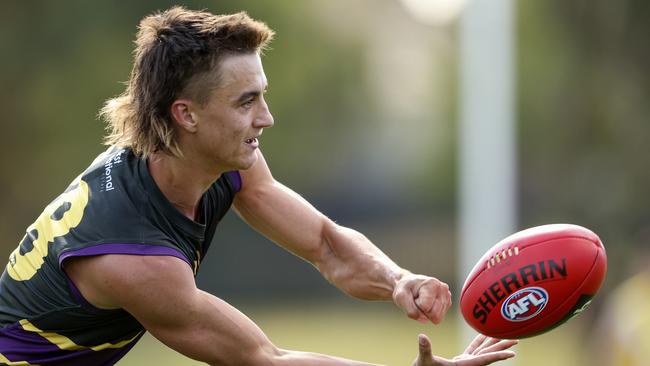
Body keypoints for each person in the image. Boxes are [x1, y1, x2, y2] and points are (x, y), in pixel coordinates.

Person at [0, 7, 516, 366]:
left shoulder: (211, 161)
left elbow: (325, 243)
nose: (266, 118)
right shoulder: (132, 256)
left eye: (261, 97)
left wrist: (397, 278)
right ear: (186, 115)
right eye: (246, 102)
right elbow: (262, 358)